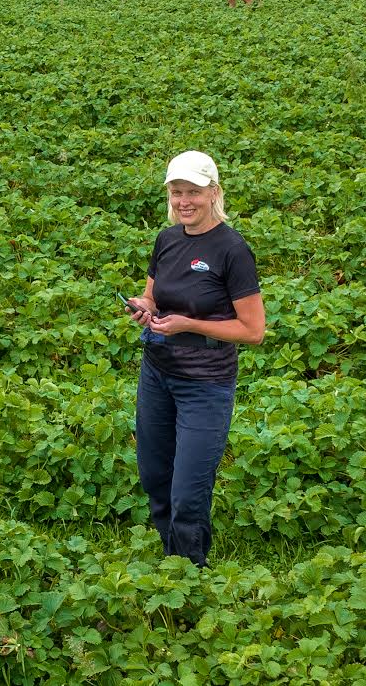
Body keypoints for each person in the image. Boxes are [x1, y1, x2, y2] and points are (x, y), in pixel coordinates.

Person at [124, 151, 266, 567]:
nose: (184, 201)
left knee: (188, 490)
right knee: (154, 476)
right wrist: (143, 304)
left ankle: (191, 572)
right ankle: (173, 560)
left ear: (214, 193)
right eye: (176, 192)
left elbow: (252, 331)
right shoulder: (167, 240)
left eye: (194, 192)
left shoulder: (231, 250)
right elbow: (154, 294)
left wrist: (191, 325)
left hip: (205, 384)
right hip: (158, 373)